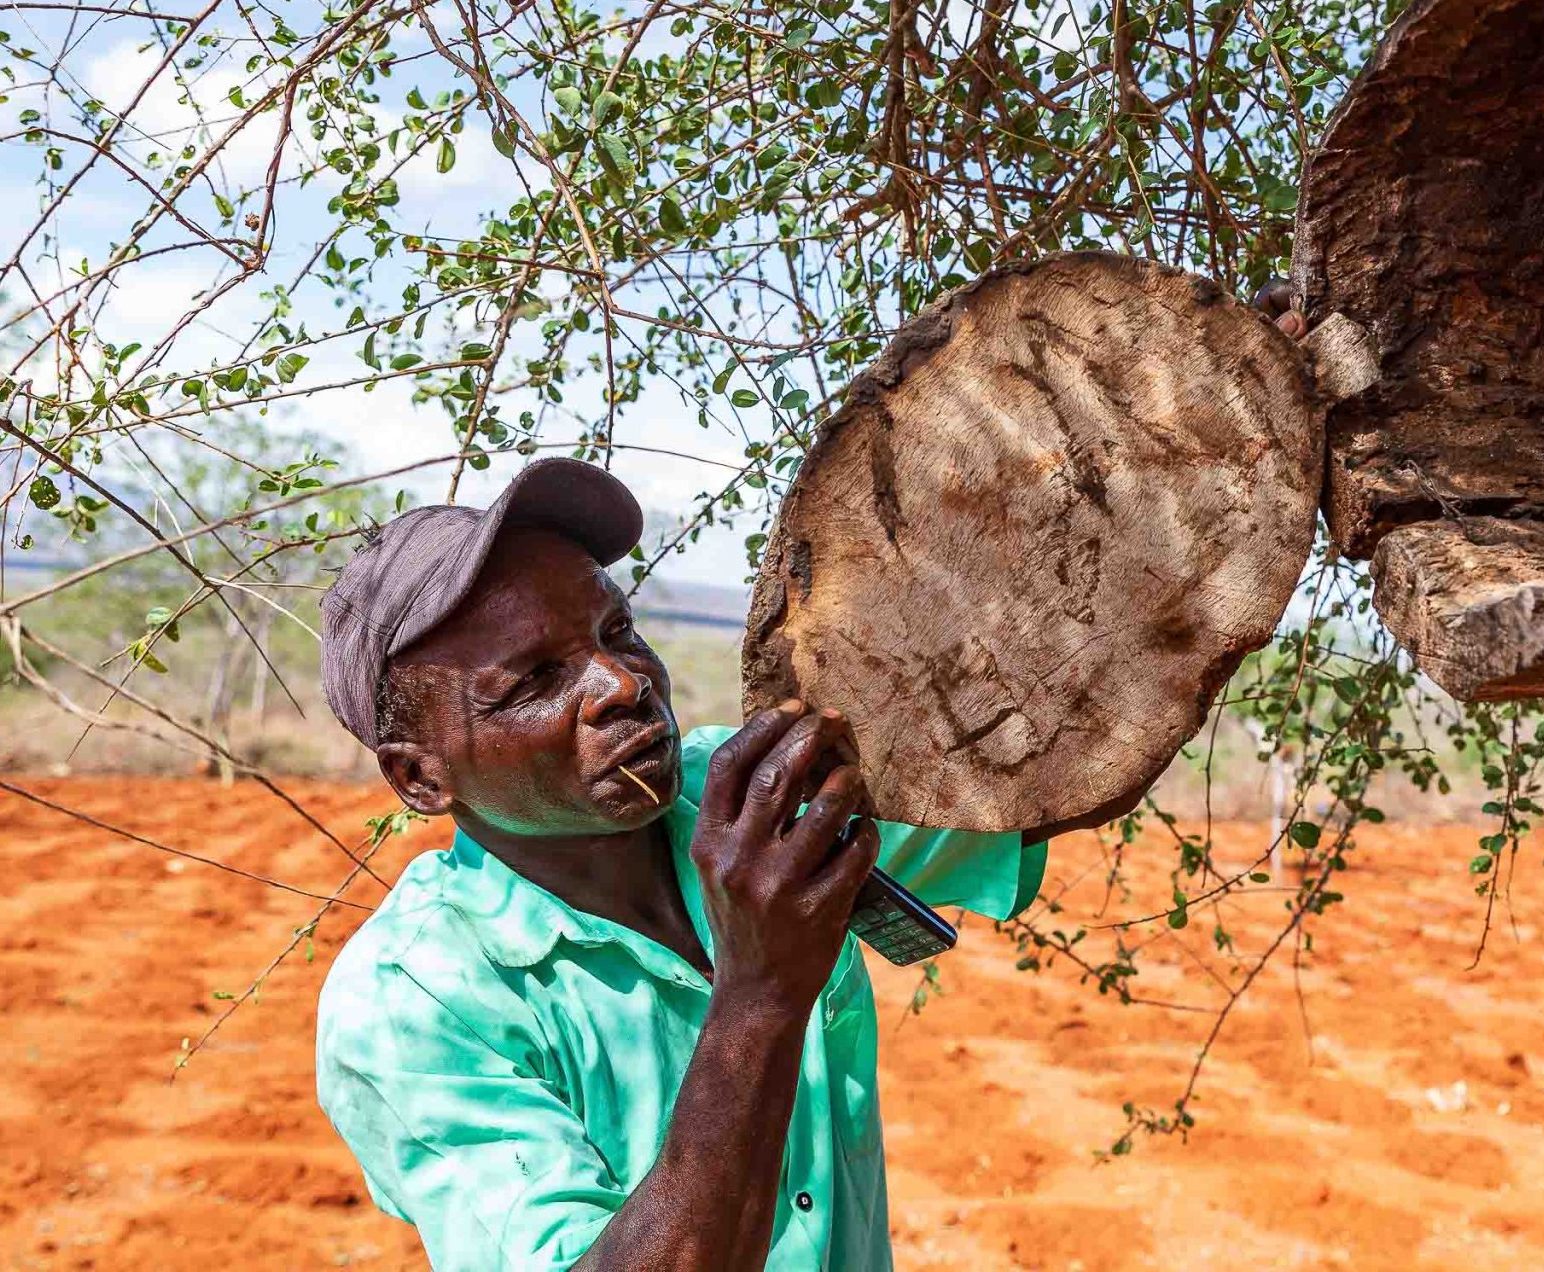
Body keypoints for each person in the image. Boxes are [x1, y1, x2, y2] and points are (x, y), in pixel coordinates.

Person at [314, 285, 1314, 1271]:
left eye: (617, 632)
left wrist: (1197, 437)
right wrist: (758, 993)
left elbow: (1039, 768)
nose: (623, 683)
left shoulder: (756, 798)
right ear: (420, 777)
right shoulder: (415, 1002)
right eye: (534, 681)